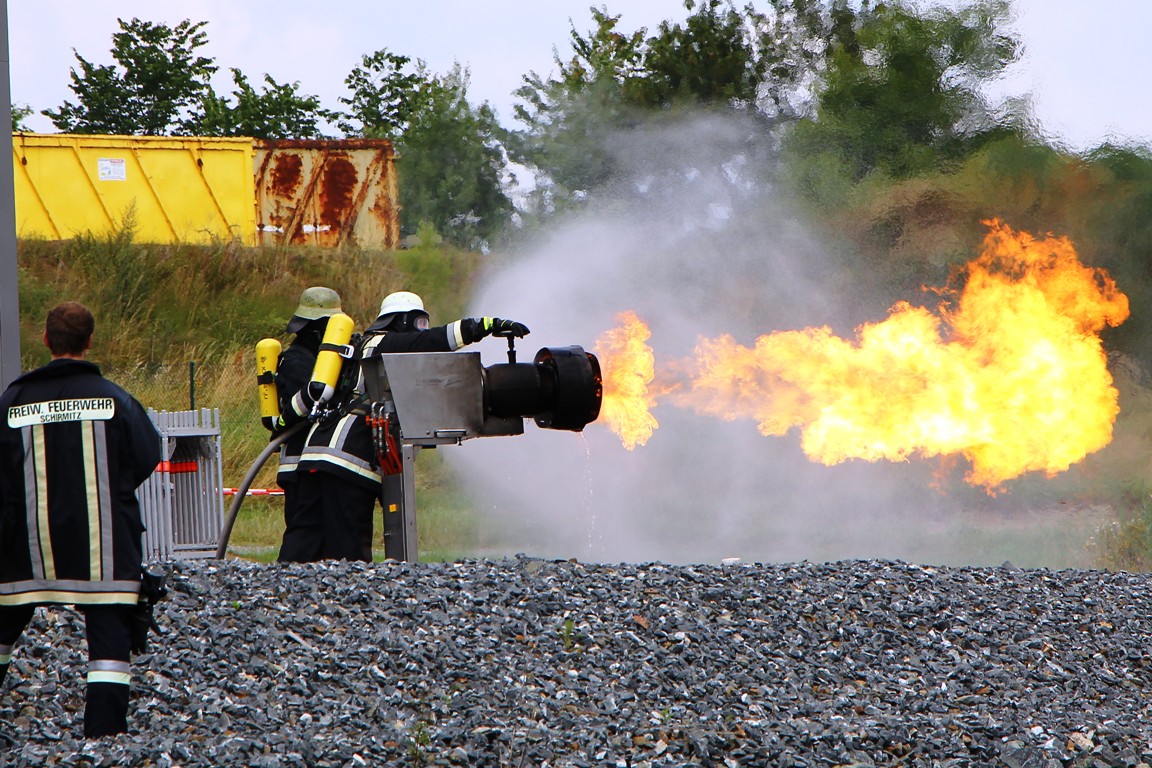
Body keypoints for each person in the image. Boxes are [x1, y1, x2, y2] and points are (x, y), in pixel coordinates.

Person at [0, 301, 161, 738]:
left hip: (26, 553)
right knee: (109, 648)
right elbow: (148, 455)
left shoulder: (12, 400)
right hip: (104, 552)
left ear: (46, 340)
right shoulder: (115, 399)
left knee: (2, 630)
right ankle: (103, 737)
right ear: (90, 341)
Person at [288, 290, 529, 562]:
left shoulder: (361, 348)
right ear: (401, 322)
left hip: (315, 455)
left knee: (303, 542)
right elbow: (436, 339)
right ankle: (345, 600)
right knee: (348, 551)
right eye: (418, 323)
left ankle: (278, 595)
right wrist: (485, 325)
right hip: (348, 460)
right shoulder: (383, 343)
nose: (420, 330)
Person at [271, 286, 345, 563]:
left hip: (318, 462)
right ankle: (286, 585)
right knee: (304, 537)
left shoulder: (320, 359)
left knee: (326, 538)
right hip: (299, 465)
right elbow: (301, 408)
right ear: (315, 328)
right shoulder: (296, 361)